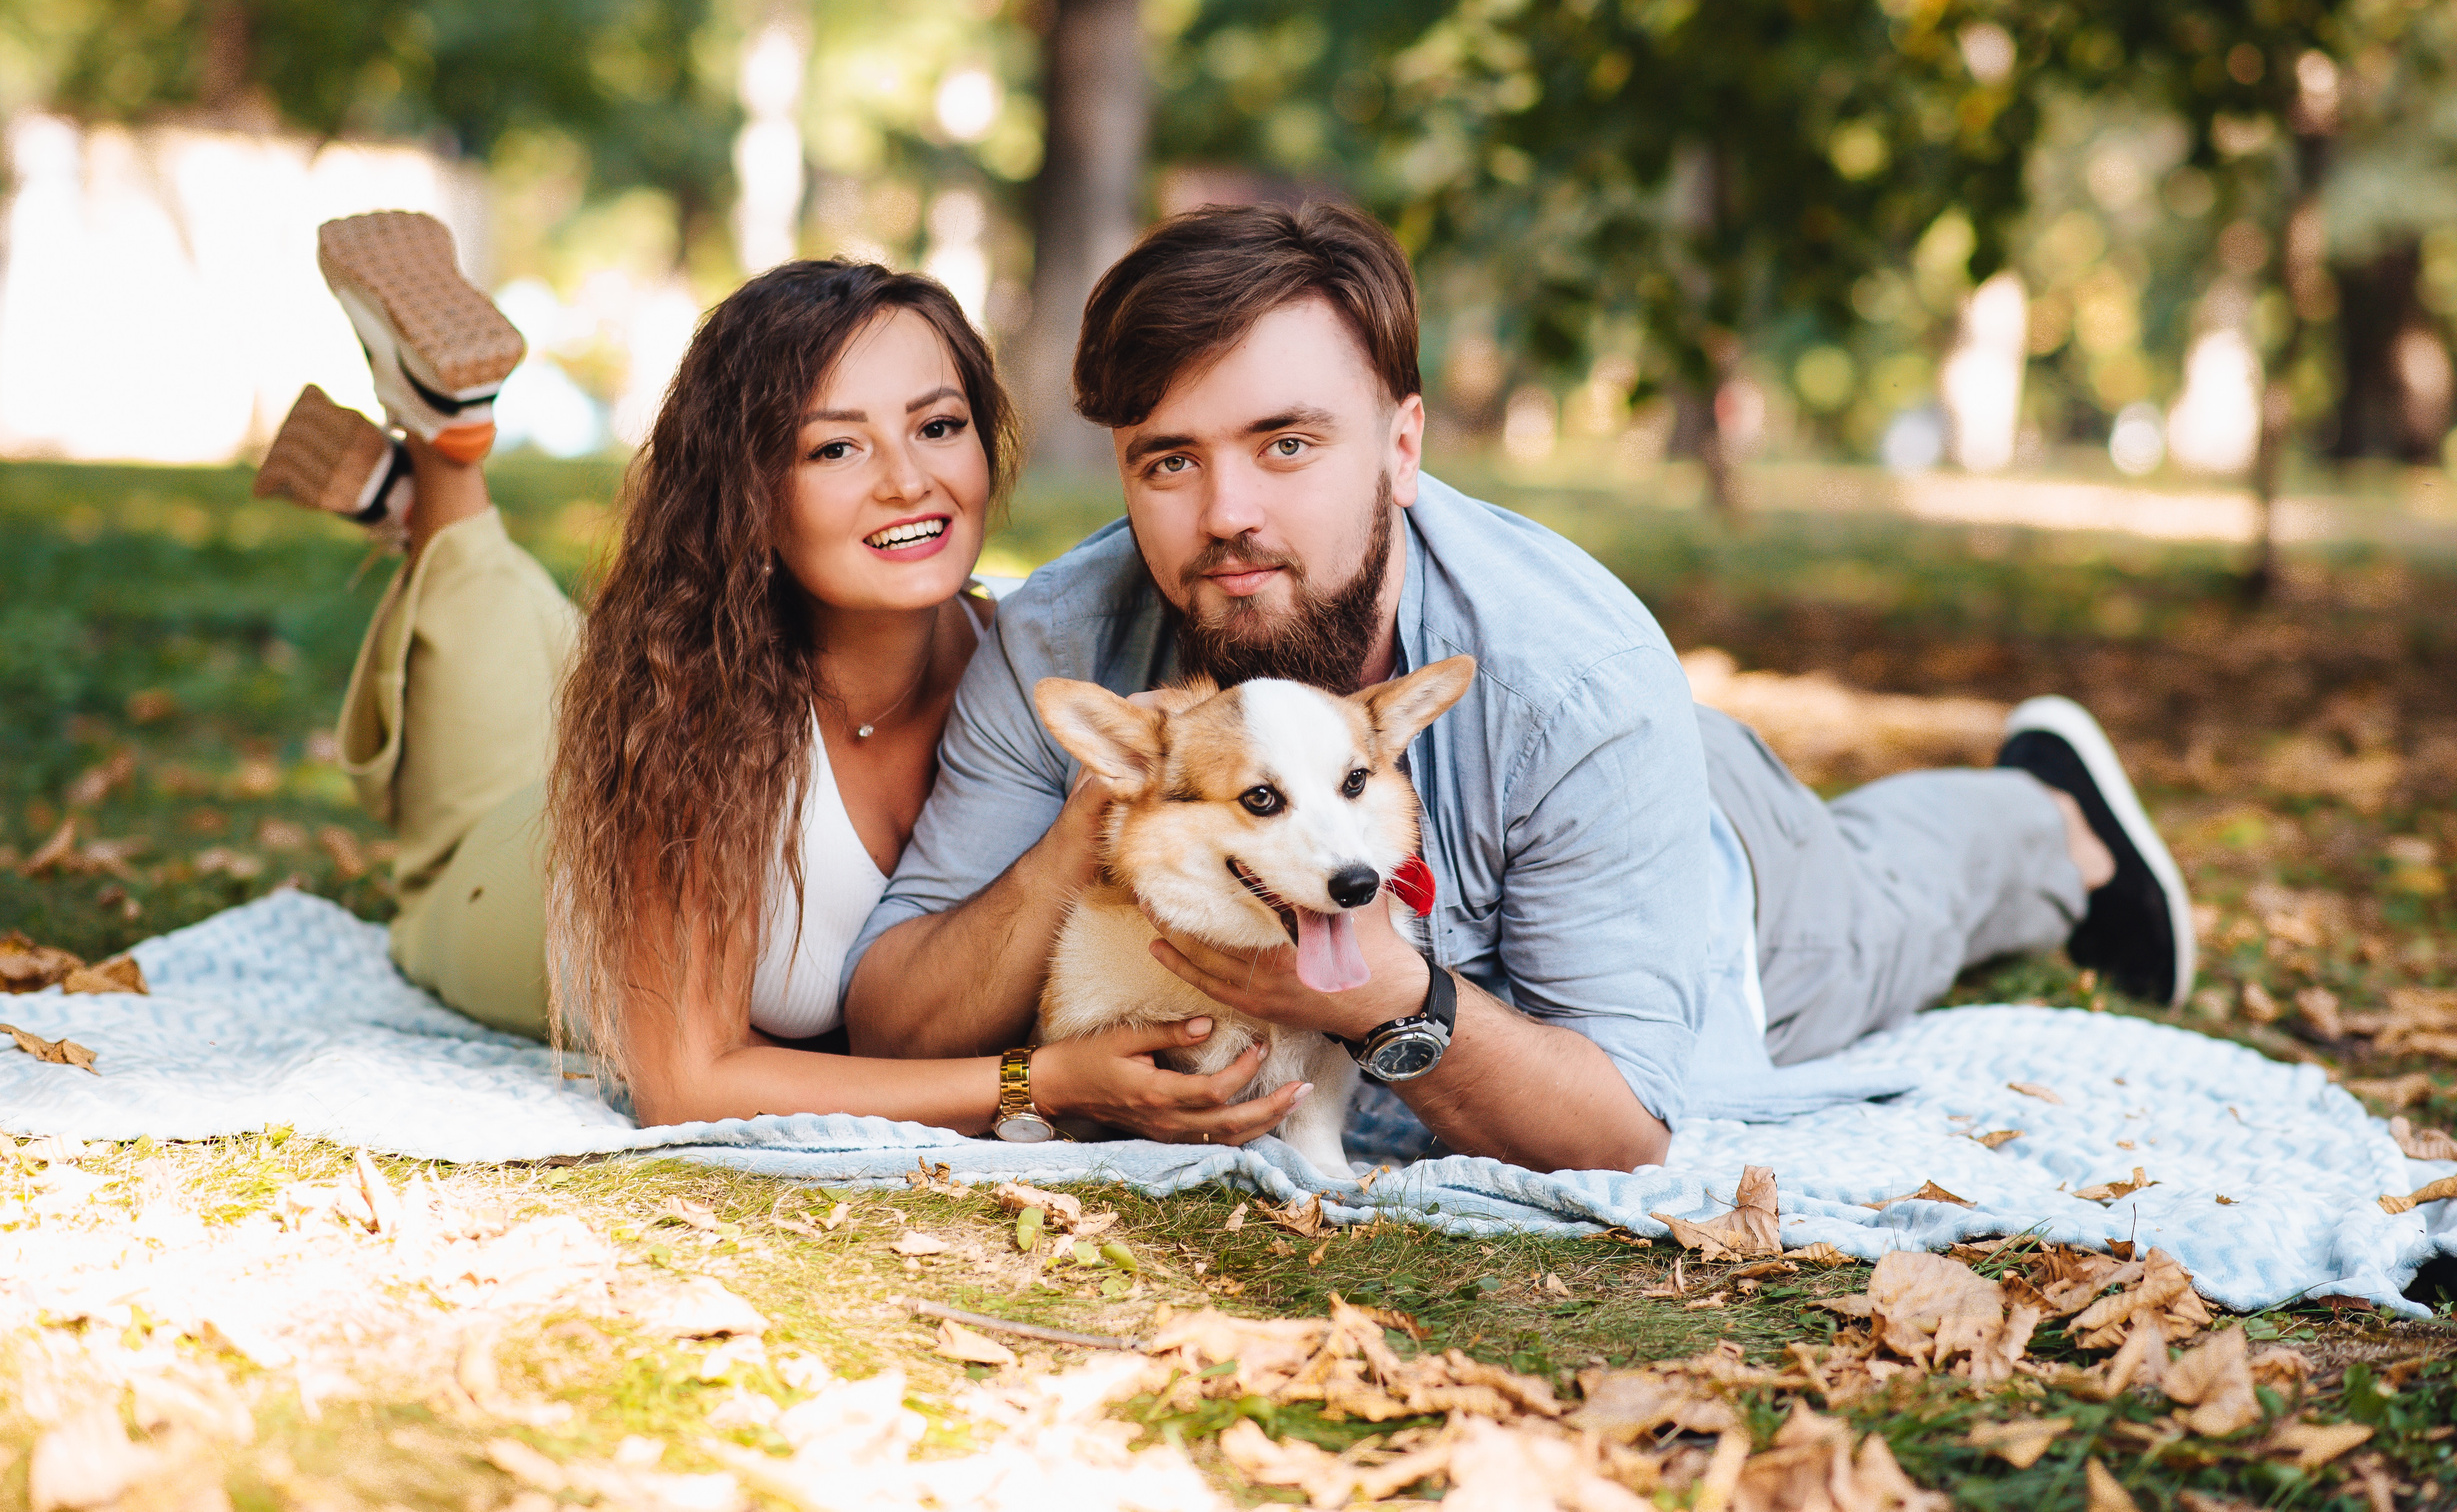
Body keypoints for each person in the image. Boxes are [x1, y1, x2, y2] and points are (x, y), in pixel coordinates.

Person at [845, 202, 2192, 1173]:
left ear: (1403, 446)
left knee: (1895, 908)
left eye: (1288, 443)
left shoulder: (1577, 678)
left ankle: (2052, 816)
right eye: (1169, 461)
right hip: (1557, 780)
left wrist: (1385, 1001)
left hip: (1728, 882)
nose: (1229, 514)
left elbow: (1625, 1129)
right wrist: (1090, 828)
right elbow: (895, 1014)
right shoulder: (1065, 639)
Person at [254, 213, 1312, 1139]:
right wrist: (1033, 1083)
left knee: (559, 649)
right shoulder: (687, 713)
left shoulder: (1049, 679)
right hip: (506, 889)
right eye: (834, 450)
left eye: (938, 427)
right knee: (458, 797)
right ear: (747, 495)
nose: (911, 482)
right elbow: (687, 1082)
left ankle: (409, 499)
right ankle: (448, 458)